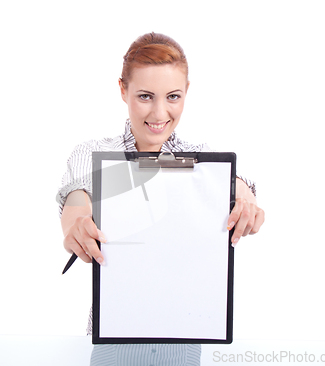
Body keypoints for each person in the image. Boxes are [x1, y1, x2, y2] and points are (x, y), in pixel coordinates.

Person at [57, 32, 265, 366]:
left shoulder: (203, 161)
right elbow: (77, 200)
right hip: (114, 344)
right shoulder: (94, 155)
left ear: (186, 93)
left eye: (173, 96)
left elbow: (237, 185)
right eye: (144, 96)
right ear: (123, 90)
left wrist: (245, 199)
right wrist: (77, 225)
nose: (159, 112)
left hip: (183, 343)